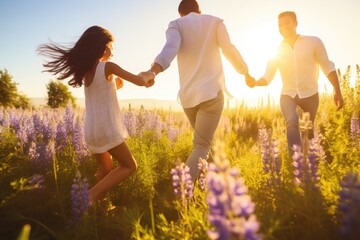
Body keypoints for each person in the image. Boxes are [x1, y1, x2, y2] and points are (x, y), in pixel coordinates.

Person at [37, 26, 154, 204]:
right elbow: (138, 80)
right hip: (107, 128)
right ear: (103, 46)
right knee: (130, 166)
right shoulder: (108, 66)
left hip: (91, 130)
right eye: (111, 47)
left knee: (106, 170)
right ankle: (92, 195)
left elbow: (101, 92)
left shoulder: (86, 72)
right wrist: (149, 76)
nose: (112, 52)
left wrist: (116, 86)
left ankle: (99, 208)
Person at [142, 0, 251, 181]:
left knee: (205, 142)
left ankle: (219, 181)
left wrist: (153, 71)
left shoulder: (176, 24)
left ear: (181, 14)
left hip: (188, 98)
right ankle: (185, 191)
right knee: (201, 145)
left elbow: (169, 50)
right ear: (199, 10)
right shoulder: (215, 22)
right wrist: (245, 72)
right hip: (211, 94)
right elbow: (229, 50)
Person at [246, 11, 344, 155]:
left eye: (287, 23)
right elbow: (267, 77)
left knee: (308, 133)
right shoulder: (276, 51)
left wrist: (337, 90)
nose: (283, 27)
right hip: (288, 95)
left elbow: (327, 66)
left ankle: (310, 166)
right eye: (280, 25)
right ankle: (295, 160)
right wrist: (254, 82)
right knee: (291, 120)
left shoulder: (314, 42)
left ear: (295, 23)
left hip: (310, 95)